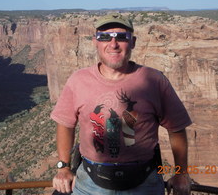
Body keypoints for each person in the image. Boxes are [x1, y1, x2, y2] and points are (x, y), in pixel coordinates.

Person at [51, 13, 192, 195]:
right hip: (90, 183)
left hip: (144, 184)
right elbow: (64, 123)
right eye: (104, 37)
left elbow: (177, 128)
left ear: (132, 42)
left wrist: (181, 173)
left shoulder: (155, 80)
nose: (113, 44)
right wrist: (63, 167)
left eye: (121, 37)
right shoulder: (78, 80)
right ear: (95, 41)